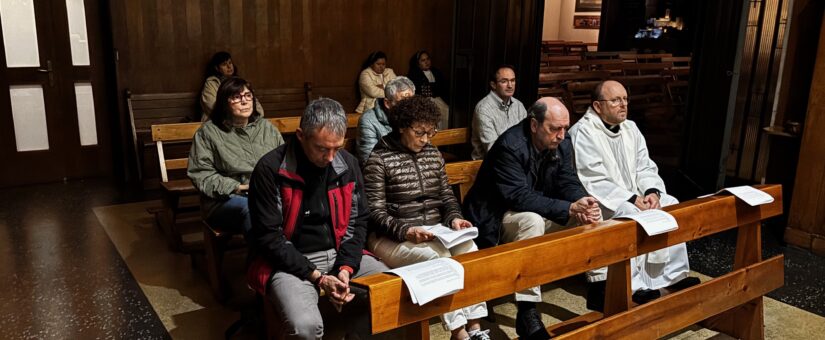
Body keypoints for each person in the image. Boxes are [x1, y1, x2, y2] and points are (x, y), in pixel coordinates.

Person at [246, 98, 388, 339]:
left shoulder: (348, 165)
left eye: (337, 148)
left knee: (388, 292)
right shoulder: (271, 170)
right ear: (301, 136)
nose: (331, 157)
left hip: (339, 251)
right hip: (289, 261)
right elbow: (270, 238)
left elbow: (359, 222)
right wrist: (319, 277)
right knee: (305, 326)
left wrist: (345, 268)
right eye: (322, 148)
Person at [462, 97, 601, 340]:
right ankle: (527, 311)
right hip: (495, 216)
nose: (561, 135)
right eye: (554, 128)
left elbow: (567, 179)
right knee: (532, 221)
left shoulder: (562, 140)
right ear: (534, 125)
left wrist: (582, 200)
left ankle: (600, 288)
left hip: (534, 206)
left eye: (565, 128)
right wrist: (569, 208)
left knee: (593, 213)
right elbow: (519, 197)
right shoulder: (510, 145)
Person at [363, 96, 490, 340]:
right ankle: (459, 332)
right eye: (419, 132)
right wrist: (406, 231)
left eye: (430, 133)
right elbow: (375, 212)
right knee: (437, 259)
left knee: (470, 249)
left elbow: (446, 196)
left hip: (434, 230)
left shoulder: (432, 154)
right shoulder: (379, 158)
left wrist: (454, 219)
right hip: (391, 237)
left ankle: (475, 326)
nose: (425, 140)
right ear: (402, 127)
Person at [568, 80, 698, 311]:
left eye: (625, 99)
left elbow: (645, 166)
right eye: (616, 100)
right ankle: (634, 286)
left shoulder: (631, 128)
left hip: (636, 196)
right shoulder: (583, 132)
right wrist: (631, 199)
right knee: (629, 213)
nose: (623, 105)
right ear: (598, 106)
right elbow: (593, 178)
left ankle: (672, 276)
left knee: (671, 204)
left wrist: (651, 192)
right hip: (602, 202)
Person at [187, 77, 284, 238]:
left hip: (266, 193)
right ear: (224, 102)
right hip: (226, 199)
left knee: (297, 205)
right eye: (237, 97)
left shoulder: (267, 128)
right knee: (253, 209)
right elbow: (201, 173)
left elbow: (284, 163)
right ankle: (264, 260)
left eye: (248, 96)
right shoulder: (209, 132)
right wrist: (237, 187)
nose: (244, 101)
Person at [471, 65, 528, 160]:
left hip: (517, 161)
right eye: (504, 81)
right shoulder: (483, 109)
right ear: (493, 85)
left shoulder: (519, 106)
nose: (510, 85)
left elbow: (528, 138)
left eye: (513, 80)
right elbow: (492, 149)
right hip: (489, 165)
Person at [355, 76, 415, 163]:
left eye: (411, 102)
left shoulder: (414, 115)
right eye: (402, 103)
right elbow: (370, 161)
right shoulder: (368, 120)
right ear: (387, 103)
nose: (408, 108)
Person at [200, 51, 264, 121]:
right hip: (219, 122)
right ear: (217, 68)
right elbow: (211, 106)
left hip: (242, 121)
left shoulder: (240, 82)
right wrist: (236, 115)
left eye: (230, 63)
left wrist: (255, 116)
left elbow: (255, 104)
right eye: (224, 64)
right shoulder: (212, 83)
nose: (229, 66)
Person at [407, 50, 450, 128]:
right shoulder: (414, 74)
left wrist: (431, 88)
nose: (426, 62)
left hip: (439, 99)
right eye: (423, 60)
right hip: (423, 101)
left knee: (447, 113)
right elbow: (418, 90)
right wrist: (432, 88)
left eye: (428, 59)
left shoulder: (436, 72)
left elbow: (443, 87)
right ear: (418, 63)